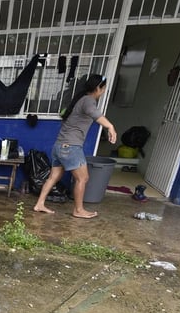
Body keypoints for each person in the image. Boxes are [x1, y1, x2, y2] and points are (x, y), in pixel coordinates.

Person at [33, 73, 117, 219]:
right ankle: (78, 210)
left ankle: (40, 204)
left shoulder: (80, 100)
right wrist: (110, 126)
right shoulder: (88, 101)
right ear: (99, 88)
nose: (103, 92)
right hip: (71, 147)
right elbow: (95, 114)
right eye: (103, 89)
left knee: (53, 177)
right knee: (82, 178)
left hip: (59, 146)